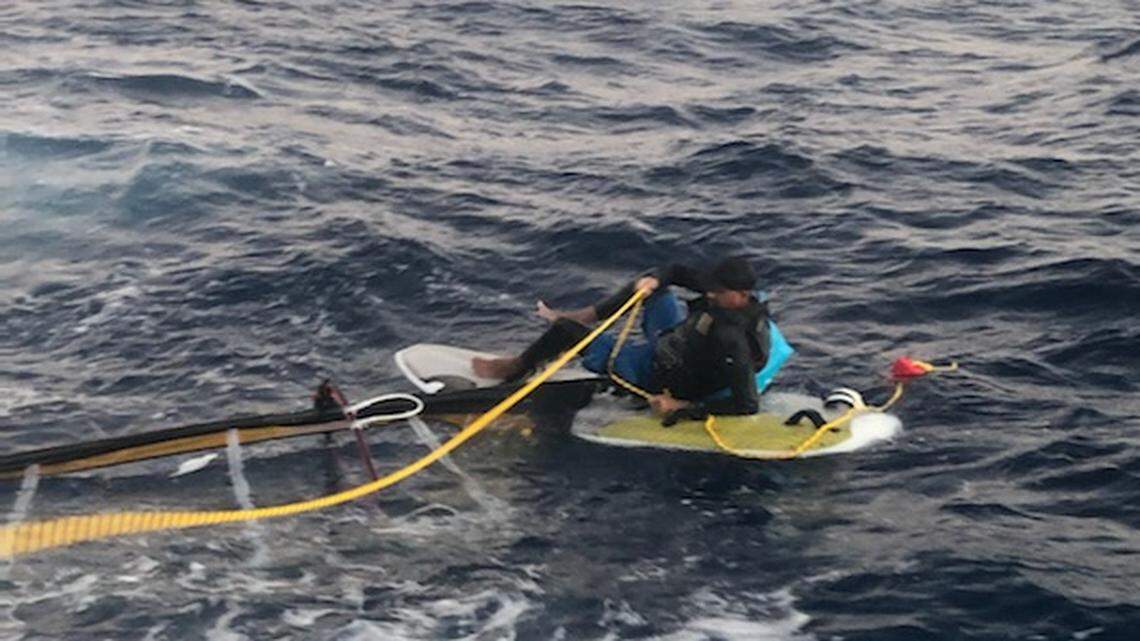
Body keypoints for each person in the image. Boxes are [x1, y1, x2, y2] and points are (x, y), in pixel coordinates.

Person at [472, 257, 774, 421]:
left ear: (742, 295)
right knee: (652, 289)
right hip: (675, 342)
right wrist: (654, 279)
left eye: (718, 292)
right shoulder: (729, 296)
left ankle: (514, 369)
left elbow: (746, 404)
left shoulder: (731, 338)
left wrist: (681, 407)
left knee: (565, 332)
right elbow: (678, 271)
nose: (709, 293)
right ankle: (586, 314)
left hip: (653, 373)